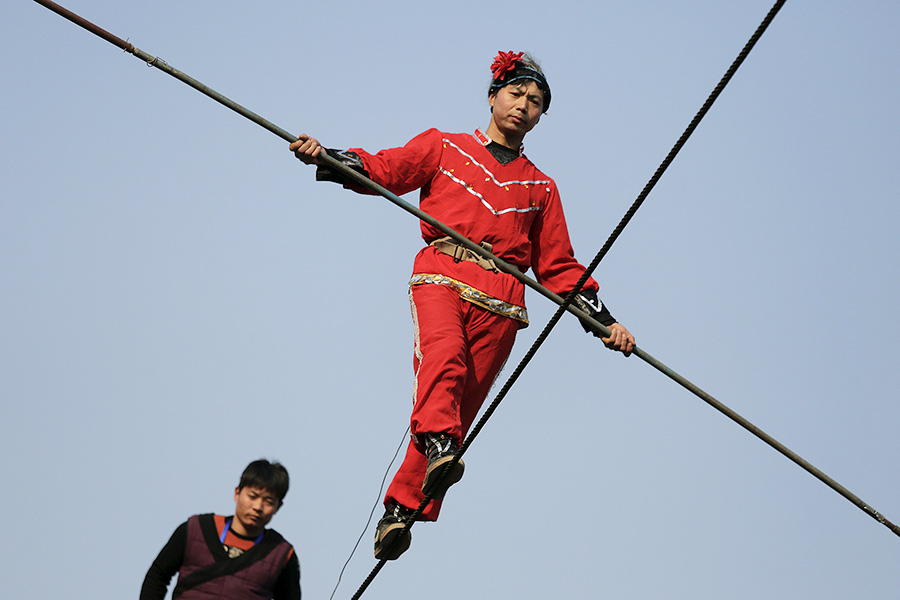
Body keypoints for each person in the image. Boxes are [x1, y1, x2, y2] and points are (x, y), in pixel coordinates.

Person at [290, 51, 635, 561]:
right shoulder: (445, 147)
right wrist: (326, 156)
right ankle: (436, 450)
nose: (523, 105)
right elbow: (385, 169)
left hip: (502, 302)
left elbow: (558, 265)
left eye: (536, 102)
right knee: (444, 360)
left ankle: (400, 513)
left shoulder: (541, 187)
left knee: (459, 406)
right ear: (493, 97)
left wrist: (605, 322)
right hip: (443, 275)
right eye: (516, 93)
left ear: (541, 117)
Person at [140, 459, 301, 600]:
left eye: (268, 501)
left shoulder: (282, 555)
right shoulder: (196, 529)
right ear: (237, 493)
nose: (258, 507)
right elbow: (157, 576)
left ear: (278, 507)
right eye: (252, 496)